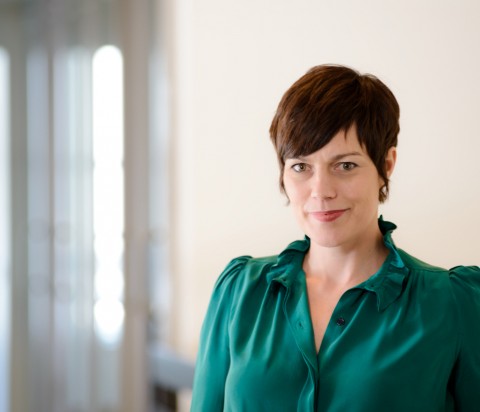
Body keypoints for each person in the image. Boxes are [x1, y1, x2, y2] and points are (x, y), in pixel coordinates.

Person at [190, 64, 480, 411]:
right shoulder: (239, 292)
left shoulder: (453, 304)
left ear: (386, 165)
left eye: (345, 165)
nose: (321, 191)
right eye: (301, 166)